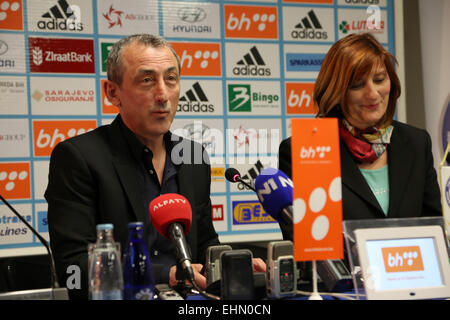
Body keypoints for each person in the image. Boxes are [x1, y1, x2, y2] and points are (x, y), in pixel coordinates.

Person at [45, 34, 264, 300]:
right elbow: (73, 269)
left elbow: (205, 244)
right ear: (113, 92)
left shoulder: (193, 156)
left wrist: (232, 264)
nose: (162, 95)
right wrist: (165, 274)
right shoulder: (78, 157)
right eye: (147, 80)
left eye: (171, 79)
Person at [279, 33, 442, 222]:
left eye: (379, 80)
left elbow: (433, 226)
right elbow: (304, 238)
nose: (372, 94)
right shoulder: (304, 150)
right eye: (357, 85)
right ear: (336, 92)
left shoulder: (416, 143)